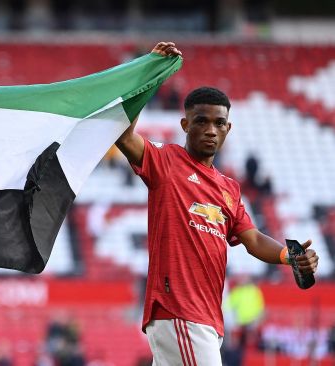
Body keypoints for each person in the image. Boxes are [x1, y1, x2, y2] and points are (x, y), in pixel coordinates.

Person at [114, 42, 320, 365]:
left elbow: (251, 239)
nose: (211, 130)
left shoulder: (229, 189)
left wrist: (288, 255)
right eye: (201, 121)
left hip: (206, 319)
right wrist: (148, 74)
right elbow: (124, 137)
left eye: (218, 123)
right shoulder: (166, 162)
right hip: (181, 312)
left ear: (228, 128)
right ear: (185, 125)